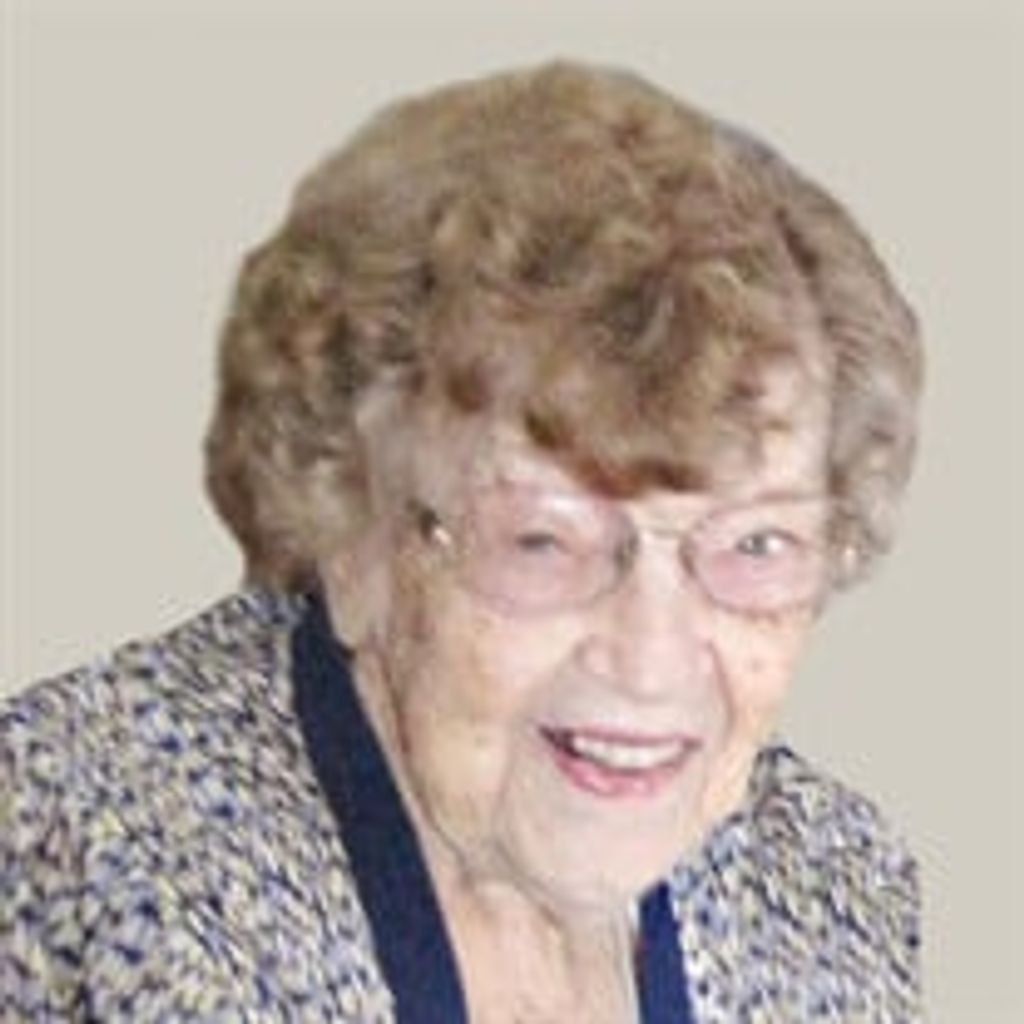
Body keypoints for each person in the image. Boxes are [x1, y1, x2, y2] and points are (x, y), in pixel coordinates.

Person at [1, 61, 923, 1021]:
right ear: (351, 531)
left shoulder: (838, 894)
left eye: (756, 546)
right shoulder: (66, 840)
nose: (652, 661)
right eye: (543, 540)